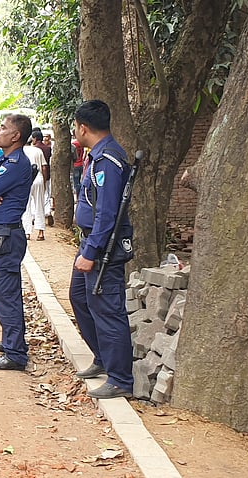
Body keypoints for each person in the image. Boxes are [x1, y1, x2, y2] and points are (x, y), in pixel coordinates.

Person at [70, 100, 136, 400]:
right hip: (91, 241)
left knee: (107, 309)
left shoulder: (108, 159)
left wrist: (92, 251)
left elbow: (107, 213)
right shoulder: (96, 156)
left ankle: (120, 378)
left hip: (103, 245)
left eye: (75, 126)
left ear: (83, 128)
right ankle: (102, 357)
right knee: (81, 299)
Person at [0, 114, 36, 372]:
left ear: (16, 136)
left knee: (7, 294)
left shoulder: (16, 163)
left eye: (3, 128)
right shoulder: (3, 160)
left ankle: (15, 353)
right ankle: (11, 341)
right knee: (3, 294)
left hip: (6, 237)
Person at [22, 134, 49, 241]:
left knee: (26, 206)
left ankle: (27, 232)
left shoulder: (21, 151)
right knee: (39, 205)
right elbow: (44, 167)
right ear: (31, 141)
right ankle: (41, 232)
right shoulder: (38, 151)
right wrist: (44, 181)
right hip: (38, 178)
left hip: (26, 180)